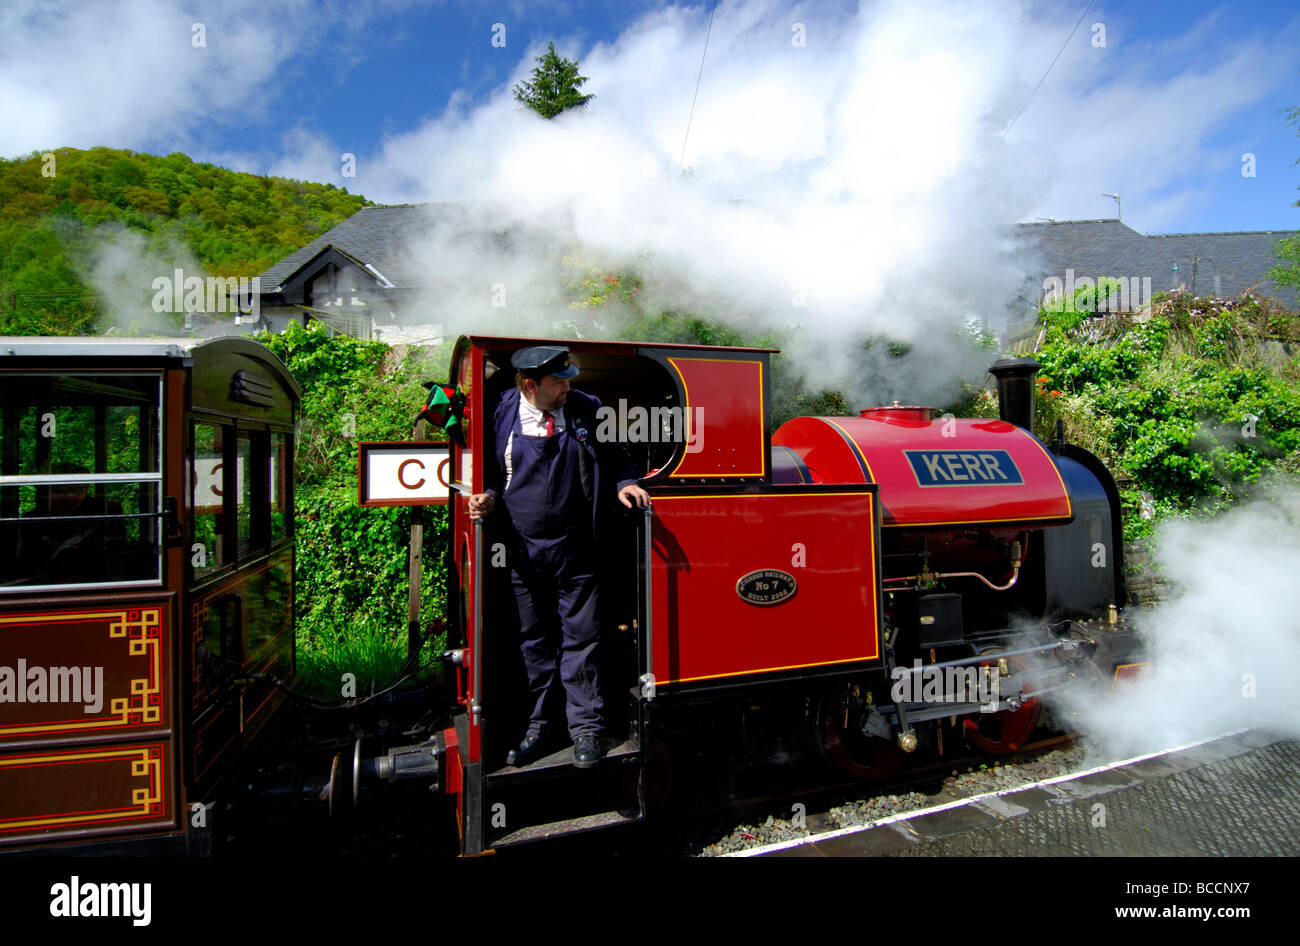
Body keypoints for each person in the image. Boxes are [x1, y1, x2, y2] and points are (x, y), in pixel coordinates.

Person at [468, 346, 650, 768]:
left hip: (578, 547)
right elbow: (493, 474)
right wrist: (489, 499)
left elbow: (616, 452)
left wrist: (625, 481)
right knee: (534, 641)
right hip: (523, 549)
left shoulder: (587, 407)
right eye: (558, 381)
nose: (568, 386)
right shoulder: (501, 411)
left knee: (582, 639)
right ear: (530, 385)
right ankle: (541, 726)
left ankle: (587, 729)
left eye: (568, 378)